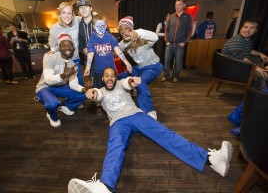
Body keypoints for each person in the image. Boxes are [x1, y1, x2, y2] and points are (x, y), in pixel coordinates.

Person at [67, 67, 233, 193]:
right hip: (118, 122)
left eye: (112, 75)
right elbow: (97, 94)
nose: (110, 77)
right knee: (115, 144)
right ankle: (105, 186)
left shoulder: (121, 84)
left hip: (137, 115)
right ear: (102, 79)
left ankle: (211, 160)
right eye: (106, 76)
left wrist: (133, 81)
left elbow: (129, 82)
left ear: (115, 77)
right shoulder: (100, 91)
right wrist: (91, 92)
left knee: (166, 134)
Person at [83, 14, 132, 116]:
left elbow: (118, 50)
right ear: (93, 26)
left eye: (103, 26)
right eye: (98, 26)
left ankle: (113, 104)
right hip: (98, 71)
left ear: (106, 26)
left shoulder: (110, 37)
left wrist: (127, 62)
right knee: (99, 88)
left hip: (111, 71)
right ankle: (99, 106)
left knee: (113, 88)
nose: (101, 28)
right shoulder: (92, 39)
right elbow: (90, 53)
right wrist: (88, 67)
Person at [35, 33, 87, 127]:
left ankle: (65, 106)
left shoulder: (73, 65)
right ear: (59, 47)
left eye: (70, 45)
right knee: (52, 103)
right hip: (45, 87)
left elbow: (73, 84)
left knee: (83, 95)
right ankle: (52, 115)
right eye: (64, 45)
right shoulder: (50, 56)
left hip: (60, 87)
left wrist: (84, 89)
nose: (67, 47)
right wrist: (63, 75)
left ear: (73, 48)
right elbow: (48, 80)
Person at [117, 16, 163, 120]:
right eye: (121, 29)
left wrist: (138, 33)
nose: (123, 31)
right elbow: (113, 48)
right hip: (139, 68)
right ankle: (127, 97)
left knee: (141, 82)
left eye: (126, 28)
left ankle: (149, 111)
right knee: (119, 77)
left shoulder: (143, 39)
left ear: (131, 29)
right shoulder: (123, 44)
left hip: (153, 67)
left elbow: (155, 37)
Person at [222, 18, 268, 89]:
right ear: (241, 29)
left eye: (252, 28)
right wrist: (255, 67)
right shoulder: (237, 40)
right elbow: (239, 58)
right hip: (232, 68)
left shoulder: (246, 39)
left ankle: (259, 92)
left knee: (264, 71)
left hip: (240, 64)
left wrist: (259, 54)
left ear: (256, 30)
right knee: (263, 75)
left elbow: (249, 50)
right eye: (245, 27)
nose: (247, 30)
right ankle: (256, 96)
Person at [49, 2, 83, 86]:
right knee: (65, 85)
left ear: (72, 15)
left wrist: (94, 14)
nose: (66, 16)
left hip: (75, 59)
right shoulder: (54, 29)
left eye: (69, 13)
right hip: (64, 61)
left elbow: (87, 17)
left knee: (79, 83)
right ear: (59, 14)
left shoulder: (76, 21)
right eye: (63, 12)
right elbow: (53, 47)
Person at [161, 0, 192, 83]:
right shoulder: (171, 17)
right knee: (166, 62)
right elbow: (166, 30)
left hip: (179, 45)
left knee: (178, 63)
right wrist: (166, 41)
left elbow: (189, 31)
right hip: (169, 44)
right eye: (176, 5)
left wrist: (185, 42)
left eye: (179, 5)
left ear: (184, 5)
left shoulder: (188, 17)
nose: (177, 6)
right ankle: (166, 76)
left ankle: (175, 76)